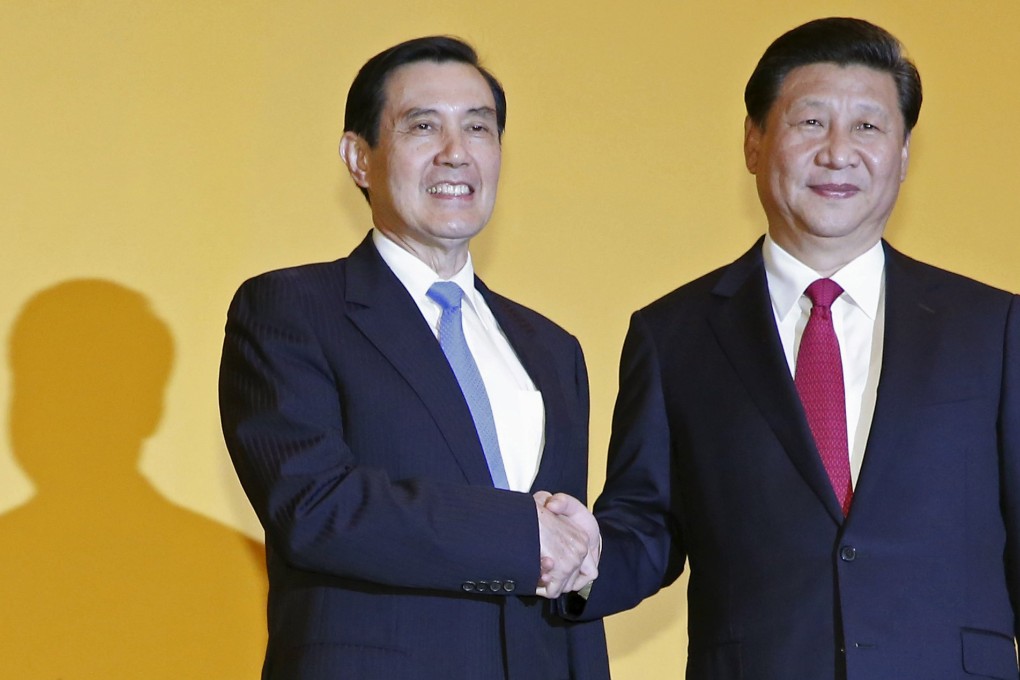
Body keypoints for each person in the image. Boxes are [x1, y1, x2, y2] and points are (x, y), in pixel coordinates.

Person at [553, 16, 1020, 680]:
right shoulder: (674, 334)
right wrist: (573, 554)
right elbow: (647, 529)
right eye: (810, 123)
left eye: (868, 126)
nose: (838, 152)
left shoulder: (993, 327)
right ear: (754, 140)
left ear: (904, 153)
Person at [219, 36, 607, 680]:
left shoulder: (550, 348)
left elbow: (562, 548)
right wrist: (519, 534)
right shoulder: (291, 309)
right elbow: (314, 507)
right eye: (423, 126)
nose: (456, 153)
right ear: (360, 158)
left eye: (479, 128)